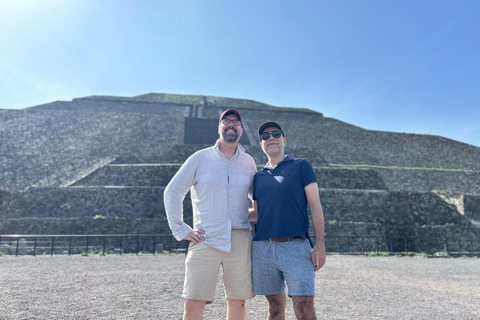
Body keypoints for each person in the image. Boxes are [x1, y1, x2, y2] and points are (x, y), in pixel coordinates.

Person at [164, 109, 256, 320]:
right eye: (226, 121)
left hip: (239, 239)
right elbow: (173, 191)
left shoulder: (249, 162)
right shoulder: (200, 158)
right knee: (193, 302)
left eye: (236, 122)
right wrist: (180, 228)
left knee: (238, 303)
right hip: (206, 237)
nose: (231, 125)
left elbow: (257, 195)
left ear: (241, 129)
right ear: (219, 127)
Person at [249, 121, 326, 320]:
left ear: (284, 139)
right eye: (265, 136)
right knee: (274, 308)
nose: (271, 138)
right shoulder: (257, 177)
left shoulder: (301, 165)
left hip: (296, 246)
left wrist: (320, 244)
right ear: (261, 144)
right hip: (263, 248)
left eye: (276, 133)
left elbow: (315, 205)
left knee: (304, 307)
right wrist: (222, 215)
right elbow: (256, 213)